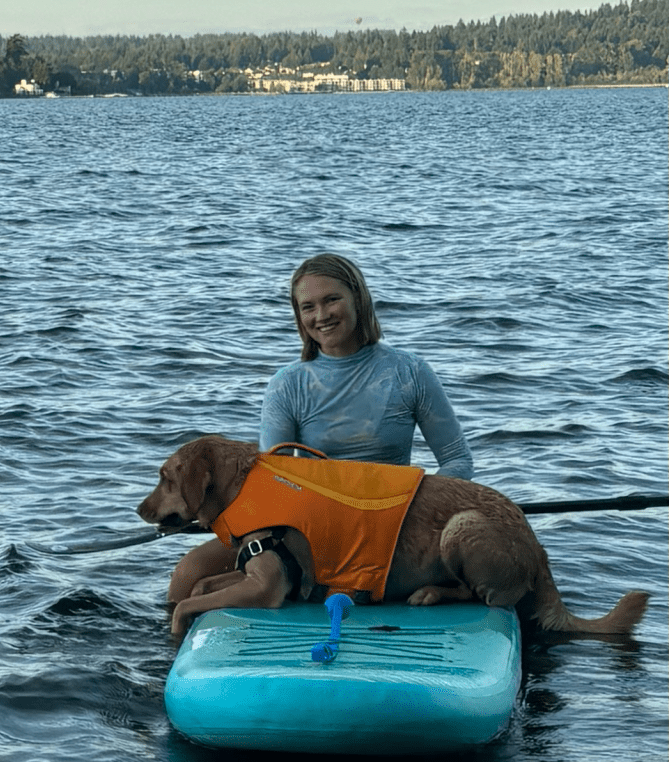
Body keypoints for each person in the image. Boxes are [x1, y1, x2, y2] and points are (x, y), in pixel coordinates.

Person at [166, 252, 473, 603]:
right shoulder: (289, 384)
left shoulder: (409, 372)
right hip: (310, 532)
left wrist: (418, 516)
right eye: (308, 307)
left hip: (388, 526)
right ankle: (170, 653)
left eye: (331, 300)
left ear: (358, 299)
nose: (321, 316)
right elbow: (272, 480)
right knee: (189, 572)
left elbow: (457, 460)